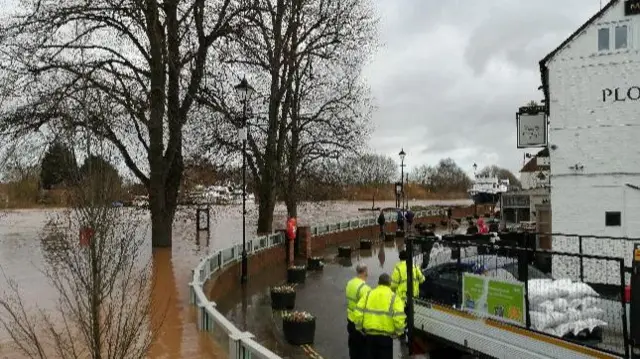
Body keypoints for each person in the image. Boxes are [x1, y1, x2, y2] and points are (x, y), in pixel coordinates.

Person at [353, 273, 405, 359]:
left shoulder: (368, 294)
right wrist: (398, 332)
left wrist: (359, 328)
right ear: (390, 284)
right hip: (385, 339)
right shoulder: (394, 298)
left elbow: (358, 312)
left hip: (370, 336)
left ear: (378, 283)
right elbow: (399, 317)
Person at [345, 263, 371, 359]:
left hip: (350, 319)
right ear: (365, 272)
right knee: (363, 349)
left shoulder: (349, 283)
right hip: (360, 322)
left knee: (353, 345)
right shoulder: (365, 289)